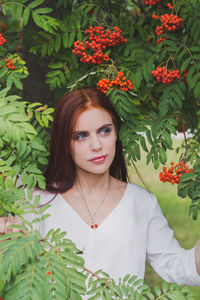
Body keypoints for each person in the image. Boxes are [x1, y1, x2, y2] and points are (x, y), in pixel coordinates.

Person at [1, 87, 200, 289]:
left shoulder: (141, 203)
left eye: (104, 131)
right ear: (64, 144)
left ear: (116, 134)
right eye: (81, 136)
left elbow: (176, 266)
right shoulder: (35, 201)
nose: (96, 145)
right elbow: (14, 274)